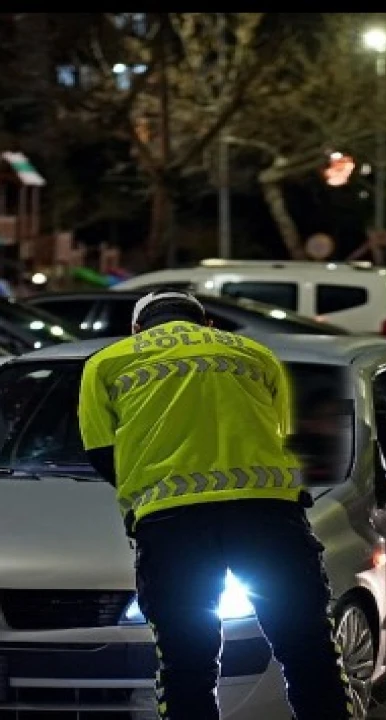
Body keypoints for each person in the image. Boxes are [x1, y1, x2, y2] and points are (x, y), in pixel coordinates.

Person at [78, 290, 354, 720]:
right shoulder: (255, 354)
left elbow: (100, 450)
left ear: (137, 329)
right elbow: (276, 431)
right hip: (269, 517)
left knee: (186, 663)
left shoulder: (107, 362)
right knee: (307, 648)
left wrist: (152, 490)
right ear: (208, 324)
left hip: (172, 526)